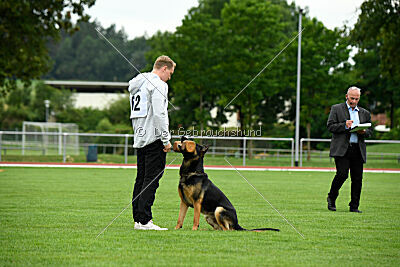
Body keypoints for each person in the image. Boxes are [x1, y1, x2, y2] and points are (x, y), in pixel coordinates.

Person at [128, 55, 176, 230]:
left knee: (141, 179)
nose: (169, 77)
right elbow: (159, 114)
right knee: (151, 179)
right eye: (170, 73)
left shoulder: (138, 84)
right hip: (154, 138)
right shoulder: (159, 85)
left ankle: (138, 219)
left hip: (140, 137)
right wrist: (166, 140)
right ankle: (144, 220)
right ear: (163, 68)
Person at [326, 86, 372, 213]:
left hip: (358, 149)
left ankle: (354, 206)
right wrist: (344, 126)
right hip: (342, 149)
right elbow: (330, 126)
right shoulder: (336, 109)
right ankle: (331, 197)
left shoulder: (365, 113)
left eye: (357, 99)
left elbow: (370, 132)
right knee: (342, 174)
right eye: (352, 98)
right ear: (347, 96)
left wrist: (364, 132)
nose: (354, 101)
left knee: (357, 178)